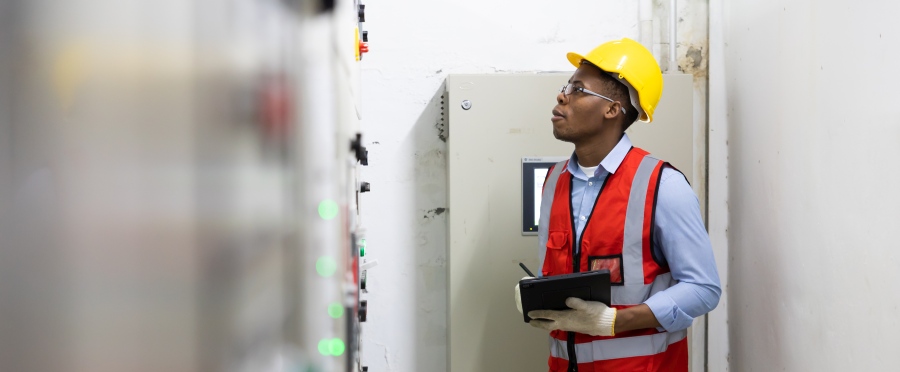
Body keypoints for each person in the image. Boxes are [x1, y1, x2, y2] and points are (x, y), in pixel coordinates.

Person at [514, 38, 721, 371]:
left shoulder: (662, 185)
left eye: (578, 89)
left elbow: (703, 289)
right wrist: (535, 293)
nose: (561, 95)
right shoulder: (553, 181)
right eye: (566, 85)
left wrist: (613, 321)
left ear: (612, 109)